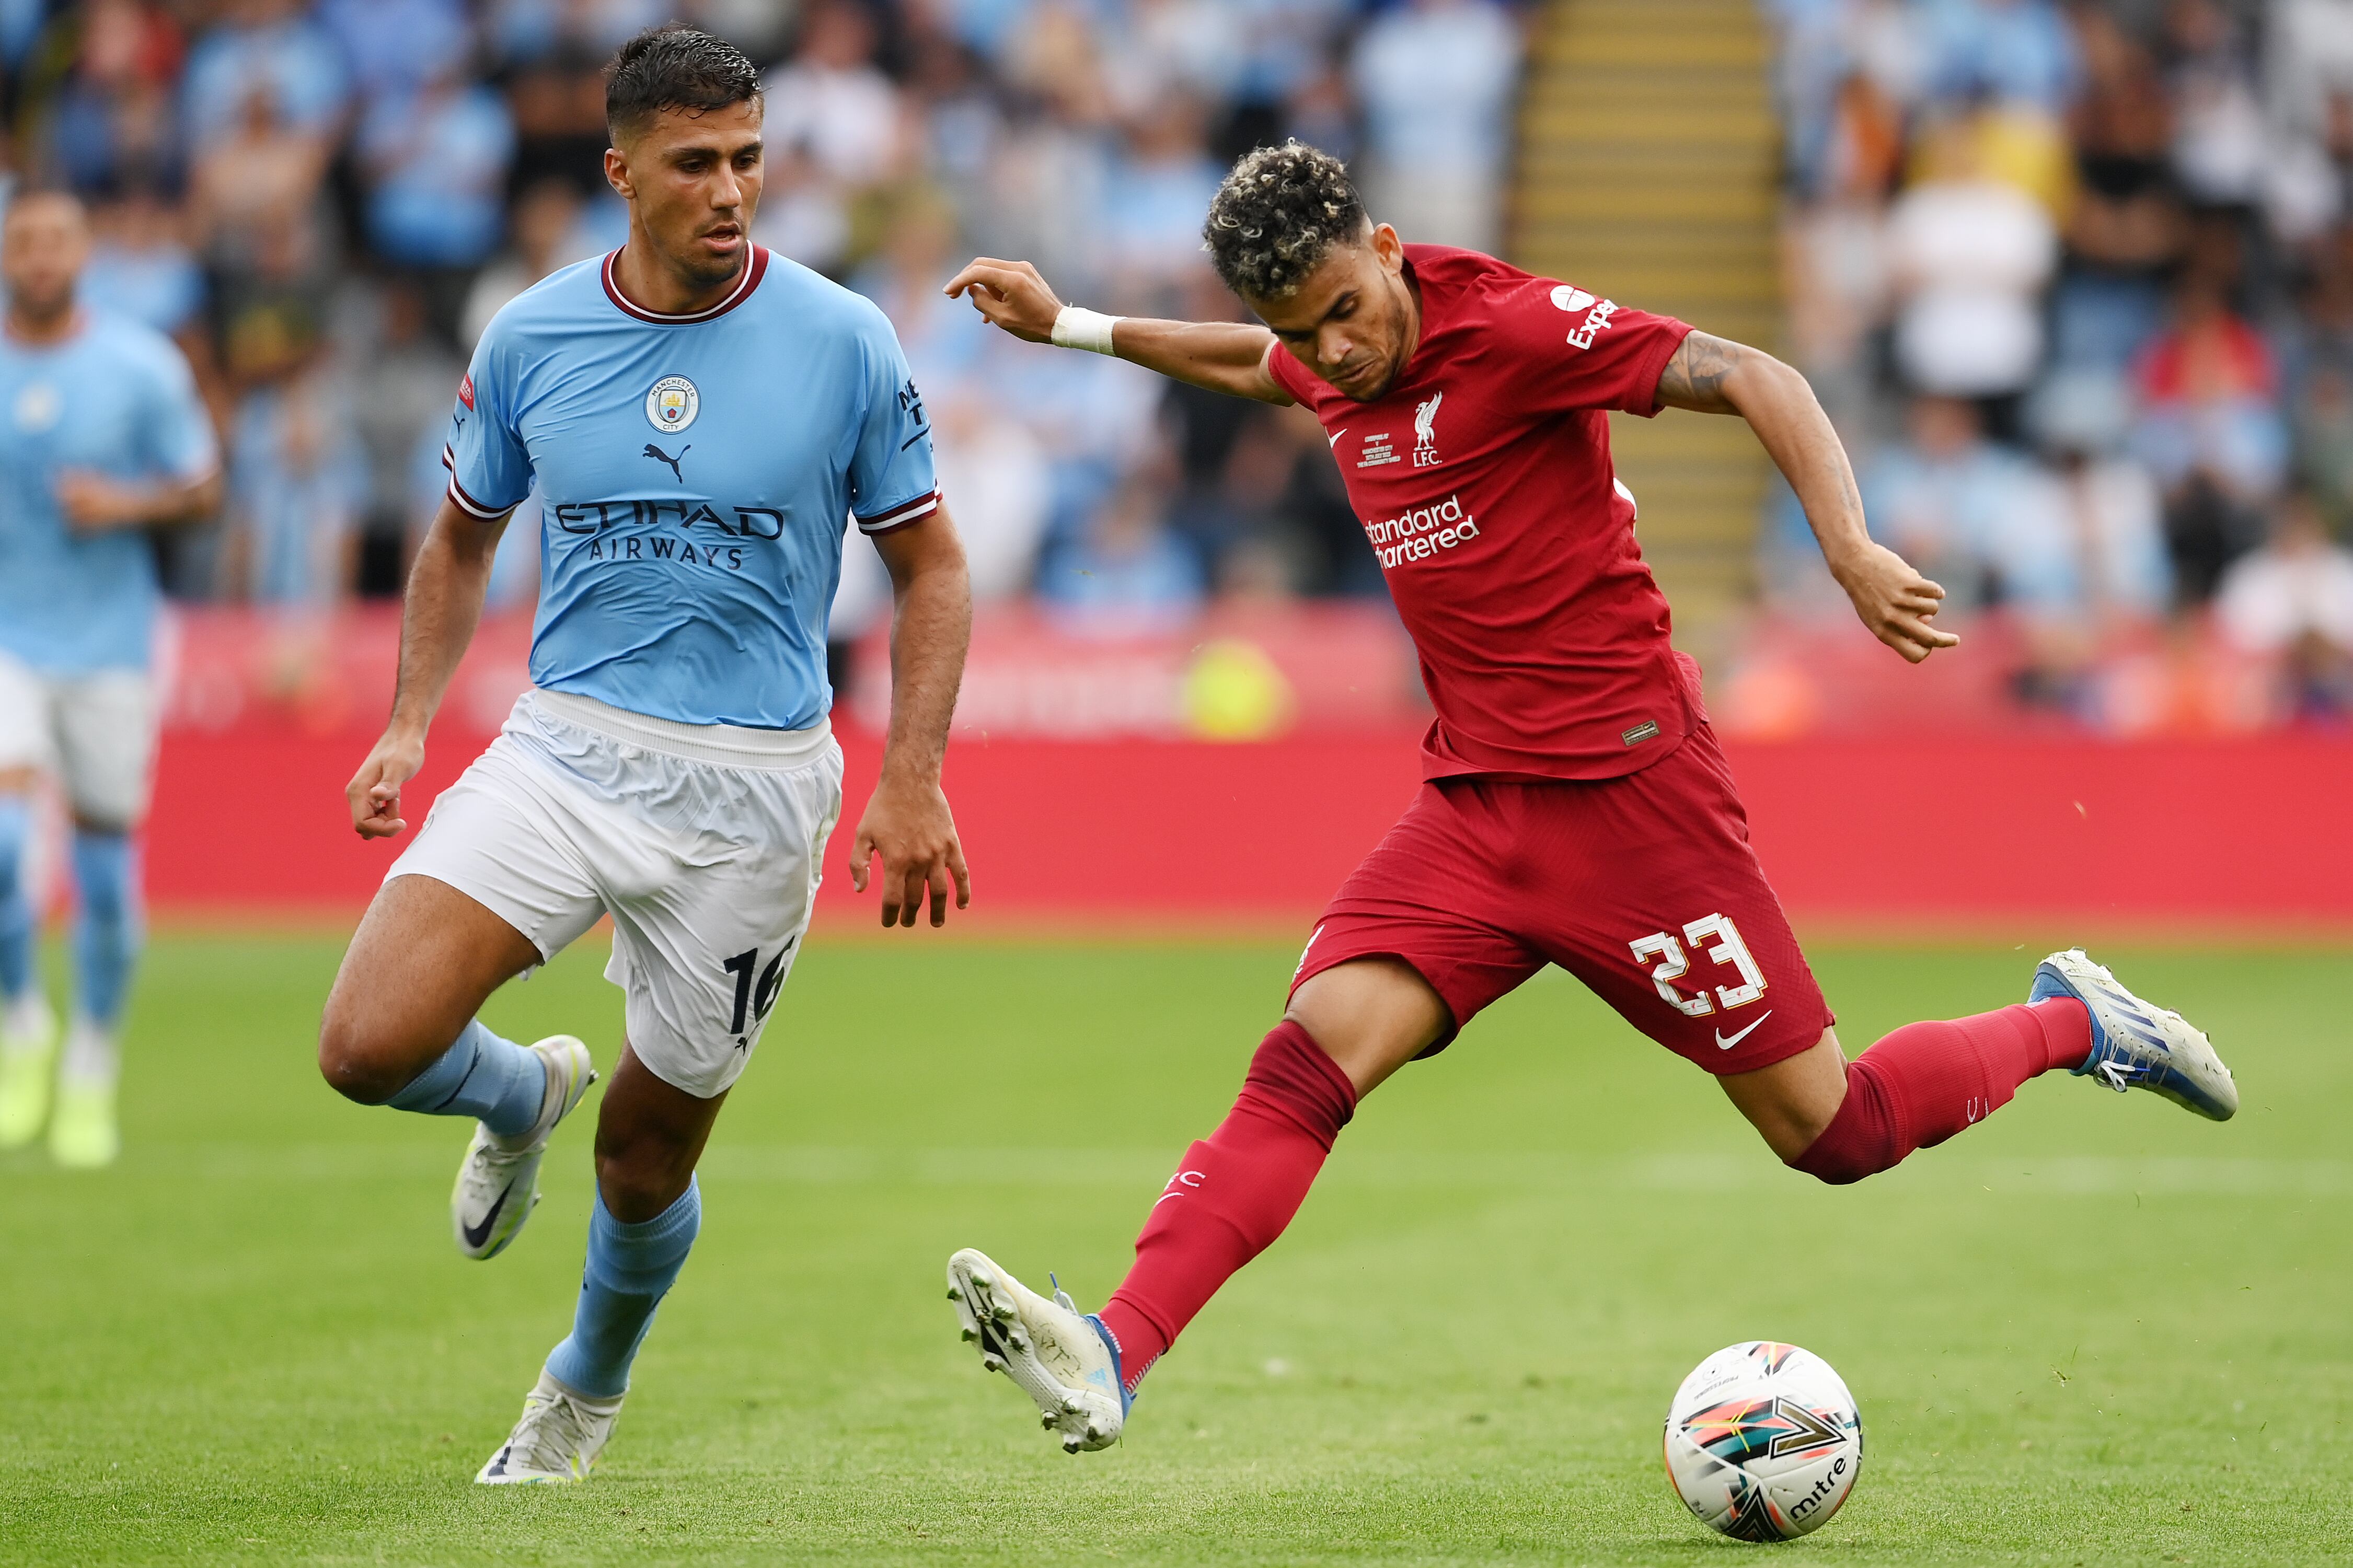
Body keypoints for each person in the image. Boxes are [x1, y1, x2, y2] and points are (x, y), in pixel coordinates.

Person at [935, 141, 2241, 1454]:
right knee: (1308, 1056)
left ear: (1386, 249)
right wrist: (1074, 327)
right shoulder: (1322, 355)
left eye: (1343, 311)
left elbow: (1754, 373)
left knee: (1835, 1131)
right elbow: (1249, 364)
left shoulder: (1511, 329)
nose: (1330, 351)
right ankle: (1115, 1348)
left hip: (1633, 803)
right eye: (1302, 329)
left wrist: (1846, 548)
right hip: (1474, 807)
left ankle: (2073, 1020)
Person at [314, 27, 973, 1484]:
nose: (729, 191)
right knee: (365, 1047)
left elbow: (931, 568)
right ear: (620, 172)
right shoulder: (531, 335)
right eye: (693, 164)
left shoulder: (842, 338)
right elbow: (460, 539)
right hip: (565, 751)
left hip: (754, 794)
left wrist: (912, 772)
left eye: (748, 158)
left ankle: (581, 1388)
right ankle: (515, 1093)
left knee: (644, 1158)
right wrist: (410, 719)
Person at [0, 191, 221, 1169]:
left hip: (110, 646)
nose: (40, 257)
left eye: (56, 240)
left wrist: (124, 505)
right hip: (9, 638)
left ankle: (91, 1058)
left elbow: (205, 487)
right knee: (6, 843)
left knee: (102, 877)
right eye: (24, 242)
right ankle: (21, 1022)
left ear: (83, 253)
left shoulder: (139, 366)